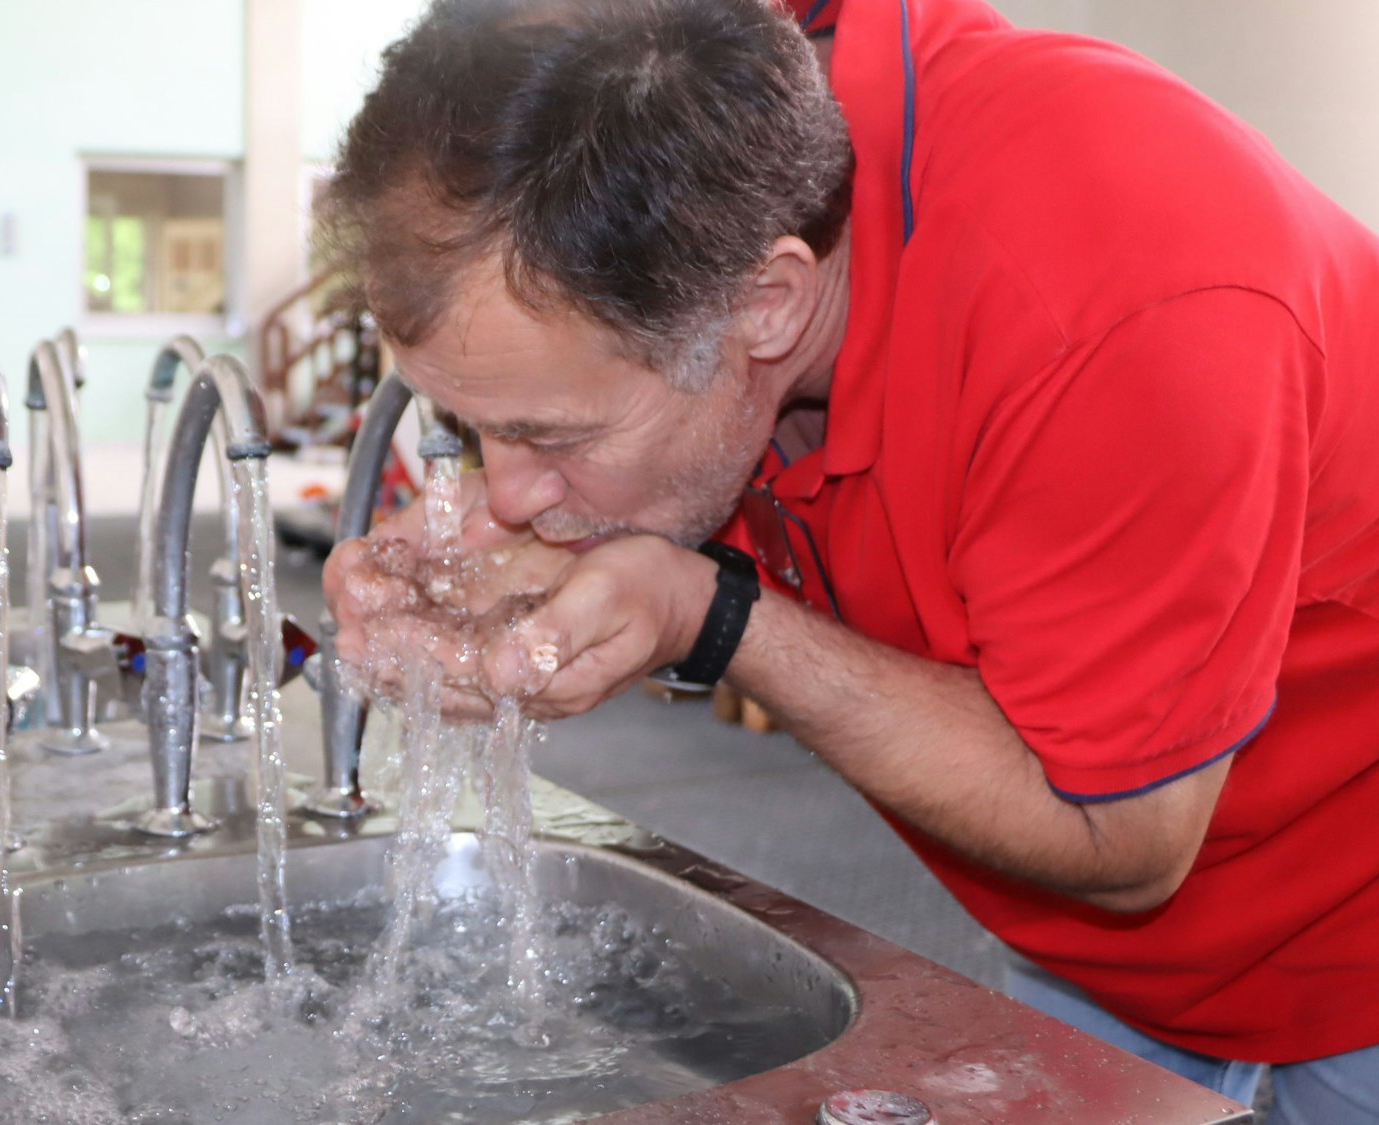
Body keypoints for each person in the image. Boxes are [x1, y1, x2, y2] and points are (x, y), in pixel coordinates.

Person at [316, 0, 1379, 1119]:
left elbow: (1115, 831)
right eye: (475, 429)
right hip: (1096, 964)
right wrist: (539, 569)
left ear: (767, 303)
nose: (509, 491)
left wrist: (710, 616)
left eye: (552, 438)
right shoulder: (709, 133)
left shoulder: (1113, 302)